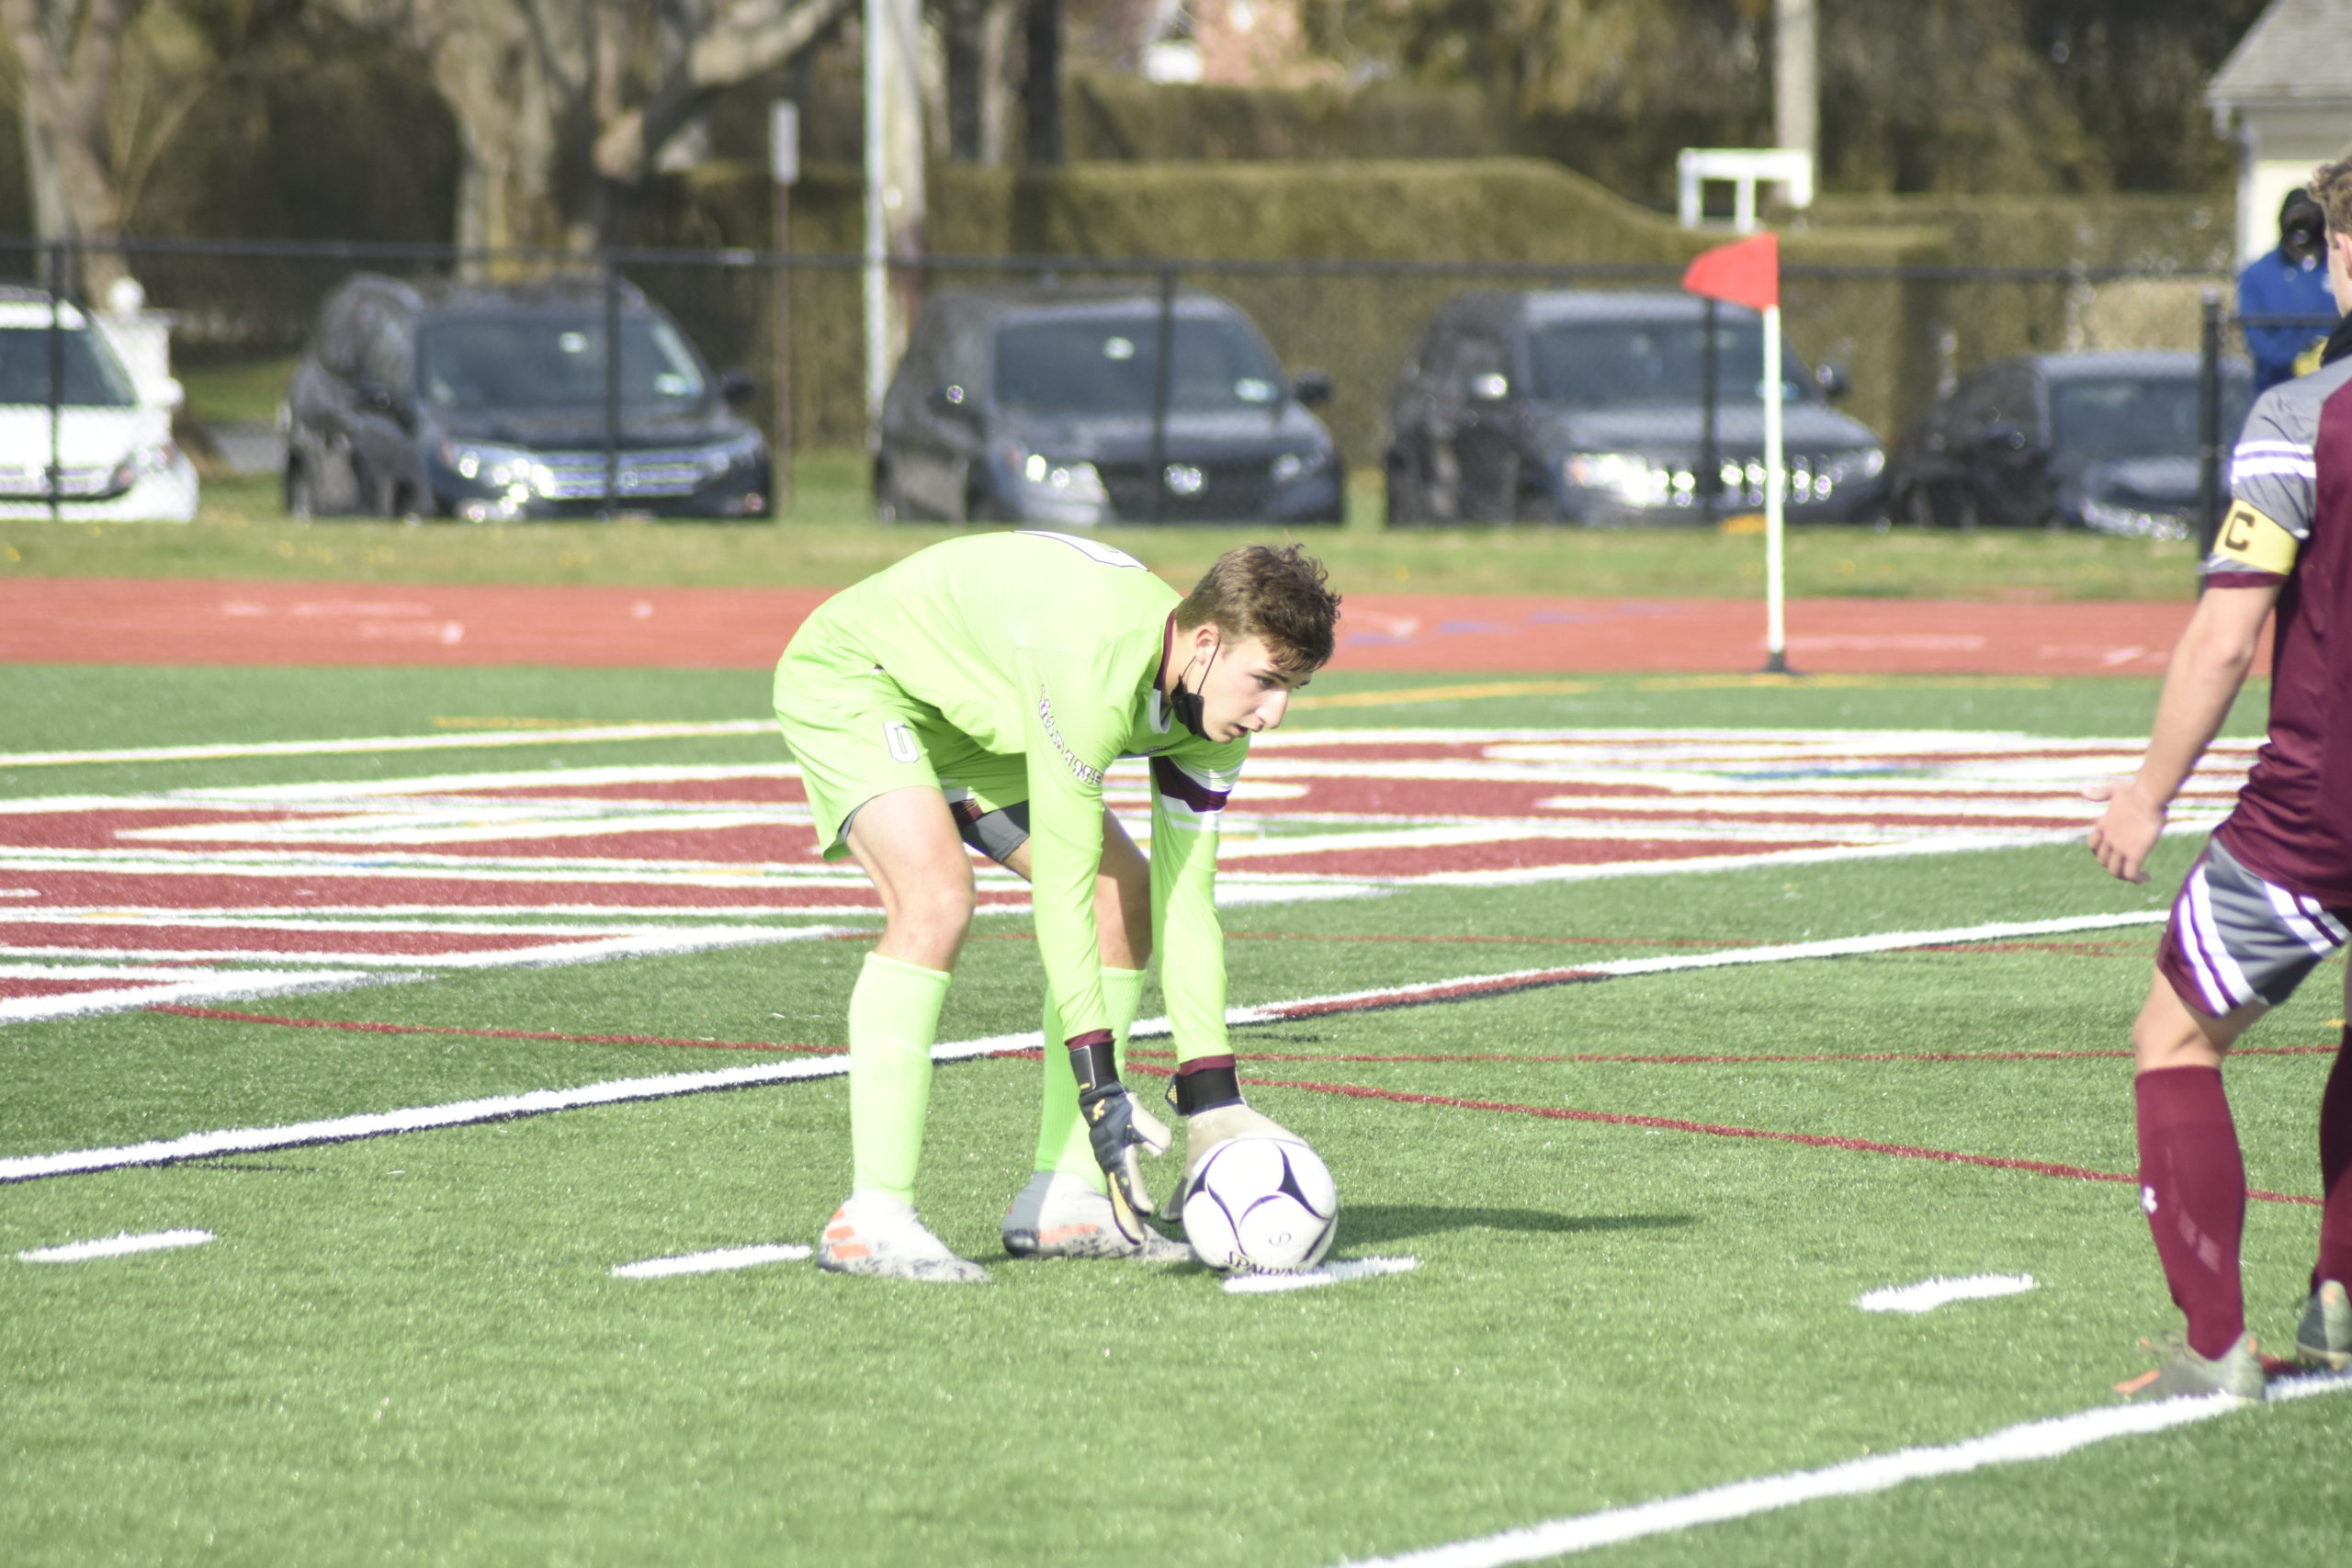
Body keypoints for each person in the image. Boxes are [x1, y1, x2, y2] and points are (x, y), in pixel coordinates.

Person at [773, 532, 1341, 1282]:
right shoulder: (1093, 669)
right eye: (1265, 680)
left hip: (980, 714)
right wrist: (1099, 1083)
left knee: (1128, 901)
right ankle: (871, 1216)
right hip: (859, 677)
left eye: (1290, 690)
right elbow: (1062, 889)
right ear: (1205, 642)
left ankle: (1065, 1196)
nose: (1272, 714)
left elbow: (1187, 898)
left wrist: (1212, 1094)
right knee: (937, 897)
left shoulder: (1211, 710)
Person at [2088, 155, 2352, 1398]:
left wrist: (2147, 791)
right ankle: (2342, 1285)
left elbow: (2227, 636)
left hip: (2324, 803)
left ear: (2343, 255)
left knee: (2174, 1034)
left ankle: (2214, 1341)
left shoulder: (2303, 418)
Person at [2237, 187, 2339, 395]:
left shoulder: (2341, 268)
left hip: (2334, 390)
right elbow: (2256, 338)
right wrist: (2297, 360)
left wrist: (2326, 356)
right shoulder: (2257, 274)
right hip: (2276, 390)